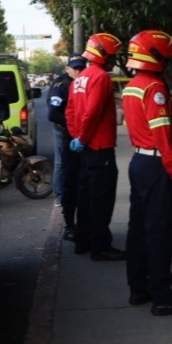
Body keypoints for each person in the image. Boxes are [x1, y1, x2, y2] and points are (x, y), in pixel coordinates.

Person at [121, 30, 172, 316]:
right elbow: (162, 135)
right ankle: (163, 296)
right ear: (157, 55)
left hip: (139, 163)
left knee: (138, 229)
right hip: (155, 166)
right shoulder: (153, 88)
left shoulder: (131, 86)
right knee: (159, 231)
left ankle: (138, 288)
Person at [65, 33, 126, 261]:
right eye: (112, 55)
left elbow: (70, 111)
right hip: (99, 147)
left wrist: (77, 136)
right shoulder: (100, 77)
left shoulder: (80, 78)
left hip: (85, 147)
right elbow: (93, 112)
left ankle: (83, 241)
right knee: (101, 198)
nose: (114, 59)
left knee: (85, 194)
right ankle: (101, 246)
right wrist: (84, 137)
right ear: (103, 54)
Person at [47, 54, 87, 241]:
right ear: (67, 68)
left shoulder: (84, 83)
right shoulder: (60, 87)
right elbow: (53, 114)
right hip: (64, 131)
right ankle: (61, 198)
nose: (78, 72)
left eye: (81, 68)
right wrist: (73, 124)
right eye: (74, 68)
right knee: (63, 165)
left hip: (80, 133)